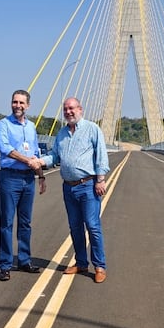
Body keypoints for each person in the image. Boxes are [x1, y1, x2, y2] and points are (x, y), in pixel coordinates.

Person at [40, 97, 110, 283]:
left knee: (93, 226)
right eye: (65, 109)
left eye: (72, 108)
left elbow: (101, 155)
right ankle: (81, 263)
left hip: (88, 185)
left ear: (80, 109)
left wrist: (100, 180)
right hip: (69, 188)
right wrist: (40, 161)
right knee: (75, 227)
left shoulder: (92, 129)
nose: (68, 112)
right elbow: (54, 156)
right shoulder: (61, 133)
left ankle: (100, 266)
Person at [0, 89, 47, 281]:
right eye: (14, 102)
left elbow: (35, 152)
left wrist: (41, 176)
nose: (17, 106)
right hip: (10, 178)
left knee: (25, 223)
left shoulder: (31, 126)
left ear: (28, 106)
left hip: (28, 179)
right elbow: (5, 148)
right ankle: (5, 265)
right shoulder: (4, 124)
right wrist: (28, 161)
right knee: (7, 223)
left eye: (21, 103)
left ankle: (24, 260)